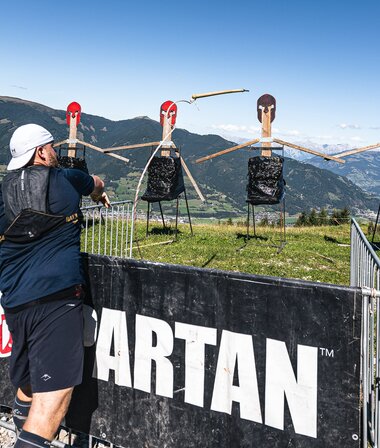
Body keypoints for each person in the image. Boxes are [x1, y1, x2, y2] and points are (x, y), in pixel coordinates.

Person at [0, 123, 110, 448]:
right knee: (51, 405)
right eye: (52, 148)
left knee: (29, 386)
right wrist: (99, 192)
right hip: (56, 300)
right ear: (41, 152)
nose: (56, 154)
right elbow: (97, 183)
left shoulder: (2, 193)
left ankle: (20, 433)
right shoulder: (66, 179)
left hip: (15, 304)